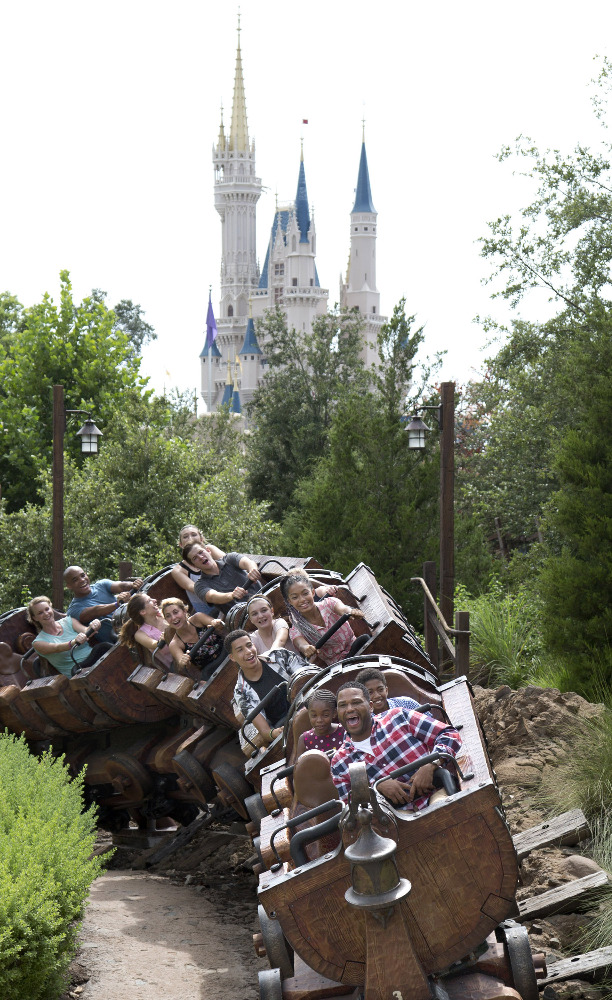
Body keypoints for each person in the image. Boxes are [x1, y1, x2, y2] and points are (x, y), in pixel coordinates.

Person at [330, 681, 462, 809]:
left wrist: (431, 764)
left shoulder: (398, 717)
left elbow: (449, 734)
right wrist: (377, 789)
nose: (349, 709)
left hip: (436, 794)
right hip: (393, 818)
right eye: (343, 705)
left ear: (370, 707)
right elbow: (353, 809)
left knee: (440, 811)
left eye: (356, 702)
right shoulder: (339, 762)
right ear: (337, 713)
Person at [226, 629, 308, 747]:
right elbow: (265, 732)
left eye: (249, 645)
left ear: (254, 645)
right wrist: (275, 732)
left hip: (309, 701)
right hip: (288, 725)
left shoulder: (279, 655)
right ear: (232, 657)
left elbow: (310, 677)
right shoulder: (241, 693)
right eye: (240, 650)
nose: (248, 652)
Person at [280, 571, 367, 666]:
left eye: (305, 593)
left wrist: (351, 612)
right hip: (339, 667)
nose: (302, 600)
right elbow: (301, 644)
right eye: (295, 597)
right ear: (290, 601)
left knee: (365, 639)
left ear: (313, 592)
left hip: (357, 649)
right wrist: (306, 648)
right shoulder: (296, 630)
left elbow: (343, 609)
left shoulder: (329, 603)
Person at [27, 596, 113, 677]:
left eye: (47, 609)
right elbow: (57, 648)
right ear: (35, 618)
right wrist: (74, 642)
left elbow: (86, 631)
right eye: (40, 613)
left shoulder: (68, 621)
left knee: (105, 646)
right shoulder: (38, 643)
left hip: (94, 657)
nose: (46, 614)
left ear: (51, 609)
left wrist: (93, 625)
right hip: (78, 669)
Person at [64, 566, 143, 634]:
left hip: (135, 623)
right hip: (118, 639)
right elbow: (96, 611)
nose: (82, 580)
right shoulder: (74, 609)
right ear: (69, 586)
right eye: (75, 580)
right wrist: (117, 604)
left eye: (83, 575)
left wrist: (133, 584)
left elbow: (121, 586)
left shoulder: (101, 585)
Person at [161, 597, 225, 677]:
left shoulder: (198, 618)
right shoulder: (174, 644)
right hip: (211, 670)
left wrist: (216, 623)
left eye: (176, 612)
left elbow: (218, 625)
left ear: (184, 611)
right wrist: (184, 662)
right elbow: (182, 664)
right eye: (168, 616)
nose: (173, 618)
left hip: (226, 652)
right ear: (166, 620)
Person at [192, 548, 262, 616]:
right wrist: (232, 595)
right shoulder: (200, 585)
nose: (201, 557)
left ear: (208, 551)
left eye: (201, 552)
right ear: (194, 566)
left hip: (262, 596)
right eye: (195, 558)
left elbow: (247, 562)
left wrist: (253, 570)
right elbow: (212, 596)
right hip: (243, 616)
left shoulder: (229, 558)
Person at [170, 527, 225, 612]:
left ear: (201, 539)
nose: (190, 538)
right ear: (181, 544)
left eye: (194, 535)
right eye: (185, 537)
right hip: (210, 609)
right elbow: (196, 588)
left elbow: (229, 563)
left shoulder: (210, 549)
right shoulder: (179, 570)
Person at [118, 593, 174, 670]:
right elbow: (153, 644)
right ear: (143, 612)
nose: (154, 600)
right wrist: (162, 640)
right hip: (175, 663)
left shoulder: (164, 614)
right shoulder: (140, 634)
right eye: (149, 601)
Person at [295, 688, 345, 756]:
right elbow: (299, 765)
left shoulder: (344, 731)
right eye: (314, 715)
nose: (319, 720)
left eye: (325, 715)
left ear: (334, 713)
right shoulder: (305, 739)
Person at [356, 666, 421, 714]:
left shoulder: (407, 703)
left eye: (380, 690)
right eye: (370, 692)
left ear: (386, 690)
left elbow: (430, 721)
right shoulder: (363, 720)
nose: (377, 696)